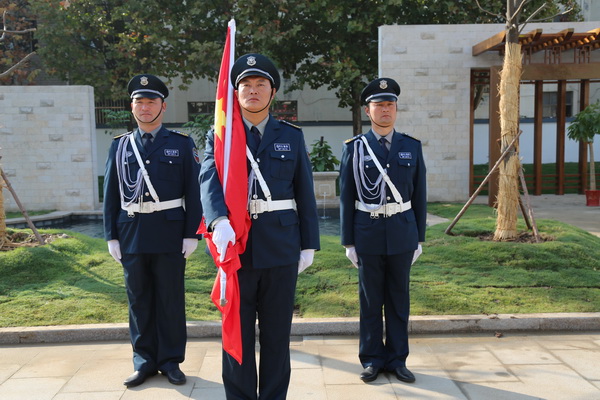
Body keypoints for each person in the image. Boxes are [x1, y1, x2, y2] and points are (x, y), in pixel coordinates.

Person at [199, 53, 320, 400]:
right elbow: (207, 180)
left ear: (273, 92)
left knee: (277, 335)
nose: (253, 90)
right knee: (236, 333)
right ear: (235, 93)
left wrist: (308, 243)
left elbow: (305, 191)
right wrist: (218, 220)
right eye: (246, 85)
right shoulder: (221, 136)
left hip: (281, 246)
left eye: (260, 84)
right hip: (236, 247)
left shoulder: (290, 136)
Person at [103, 74, 202, 388]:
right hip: (131, 232)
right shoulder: (120, 145)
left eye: (151, 101)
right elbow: (111, 194)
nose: (144, 107)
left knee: (170, 299)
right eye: (139, 102)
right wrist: (111, 235)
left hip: (170, 233)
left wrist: (192, 233)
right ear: (132, 107)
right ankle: (143, 361)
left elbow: (194, 192)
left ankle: (171, 361)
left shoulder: (181, 144)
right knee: (138, 300)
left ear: (163, 106)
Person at [339, 77, 426, 384]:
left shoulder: (411, 146)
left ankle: (398, 359)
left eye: (390, 105)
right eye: (379, 105)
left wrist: (419, 238)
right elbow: (346, 197)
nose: (385, 110)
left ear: (396, 110)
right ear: (368, 110)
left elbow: (420, 195)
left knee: (399, 300)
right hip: (368, 233)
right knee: (370, 301)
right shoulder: (355, 148)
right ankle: (372, 359)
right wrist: (348, 242)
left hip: (402, 233)